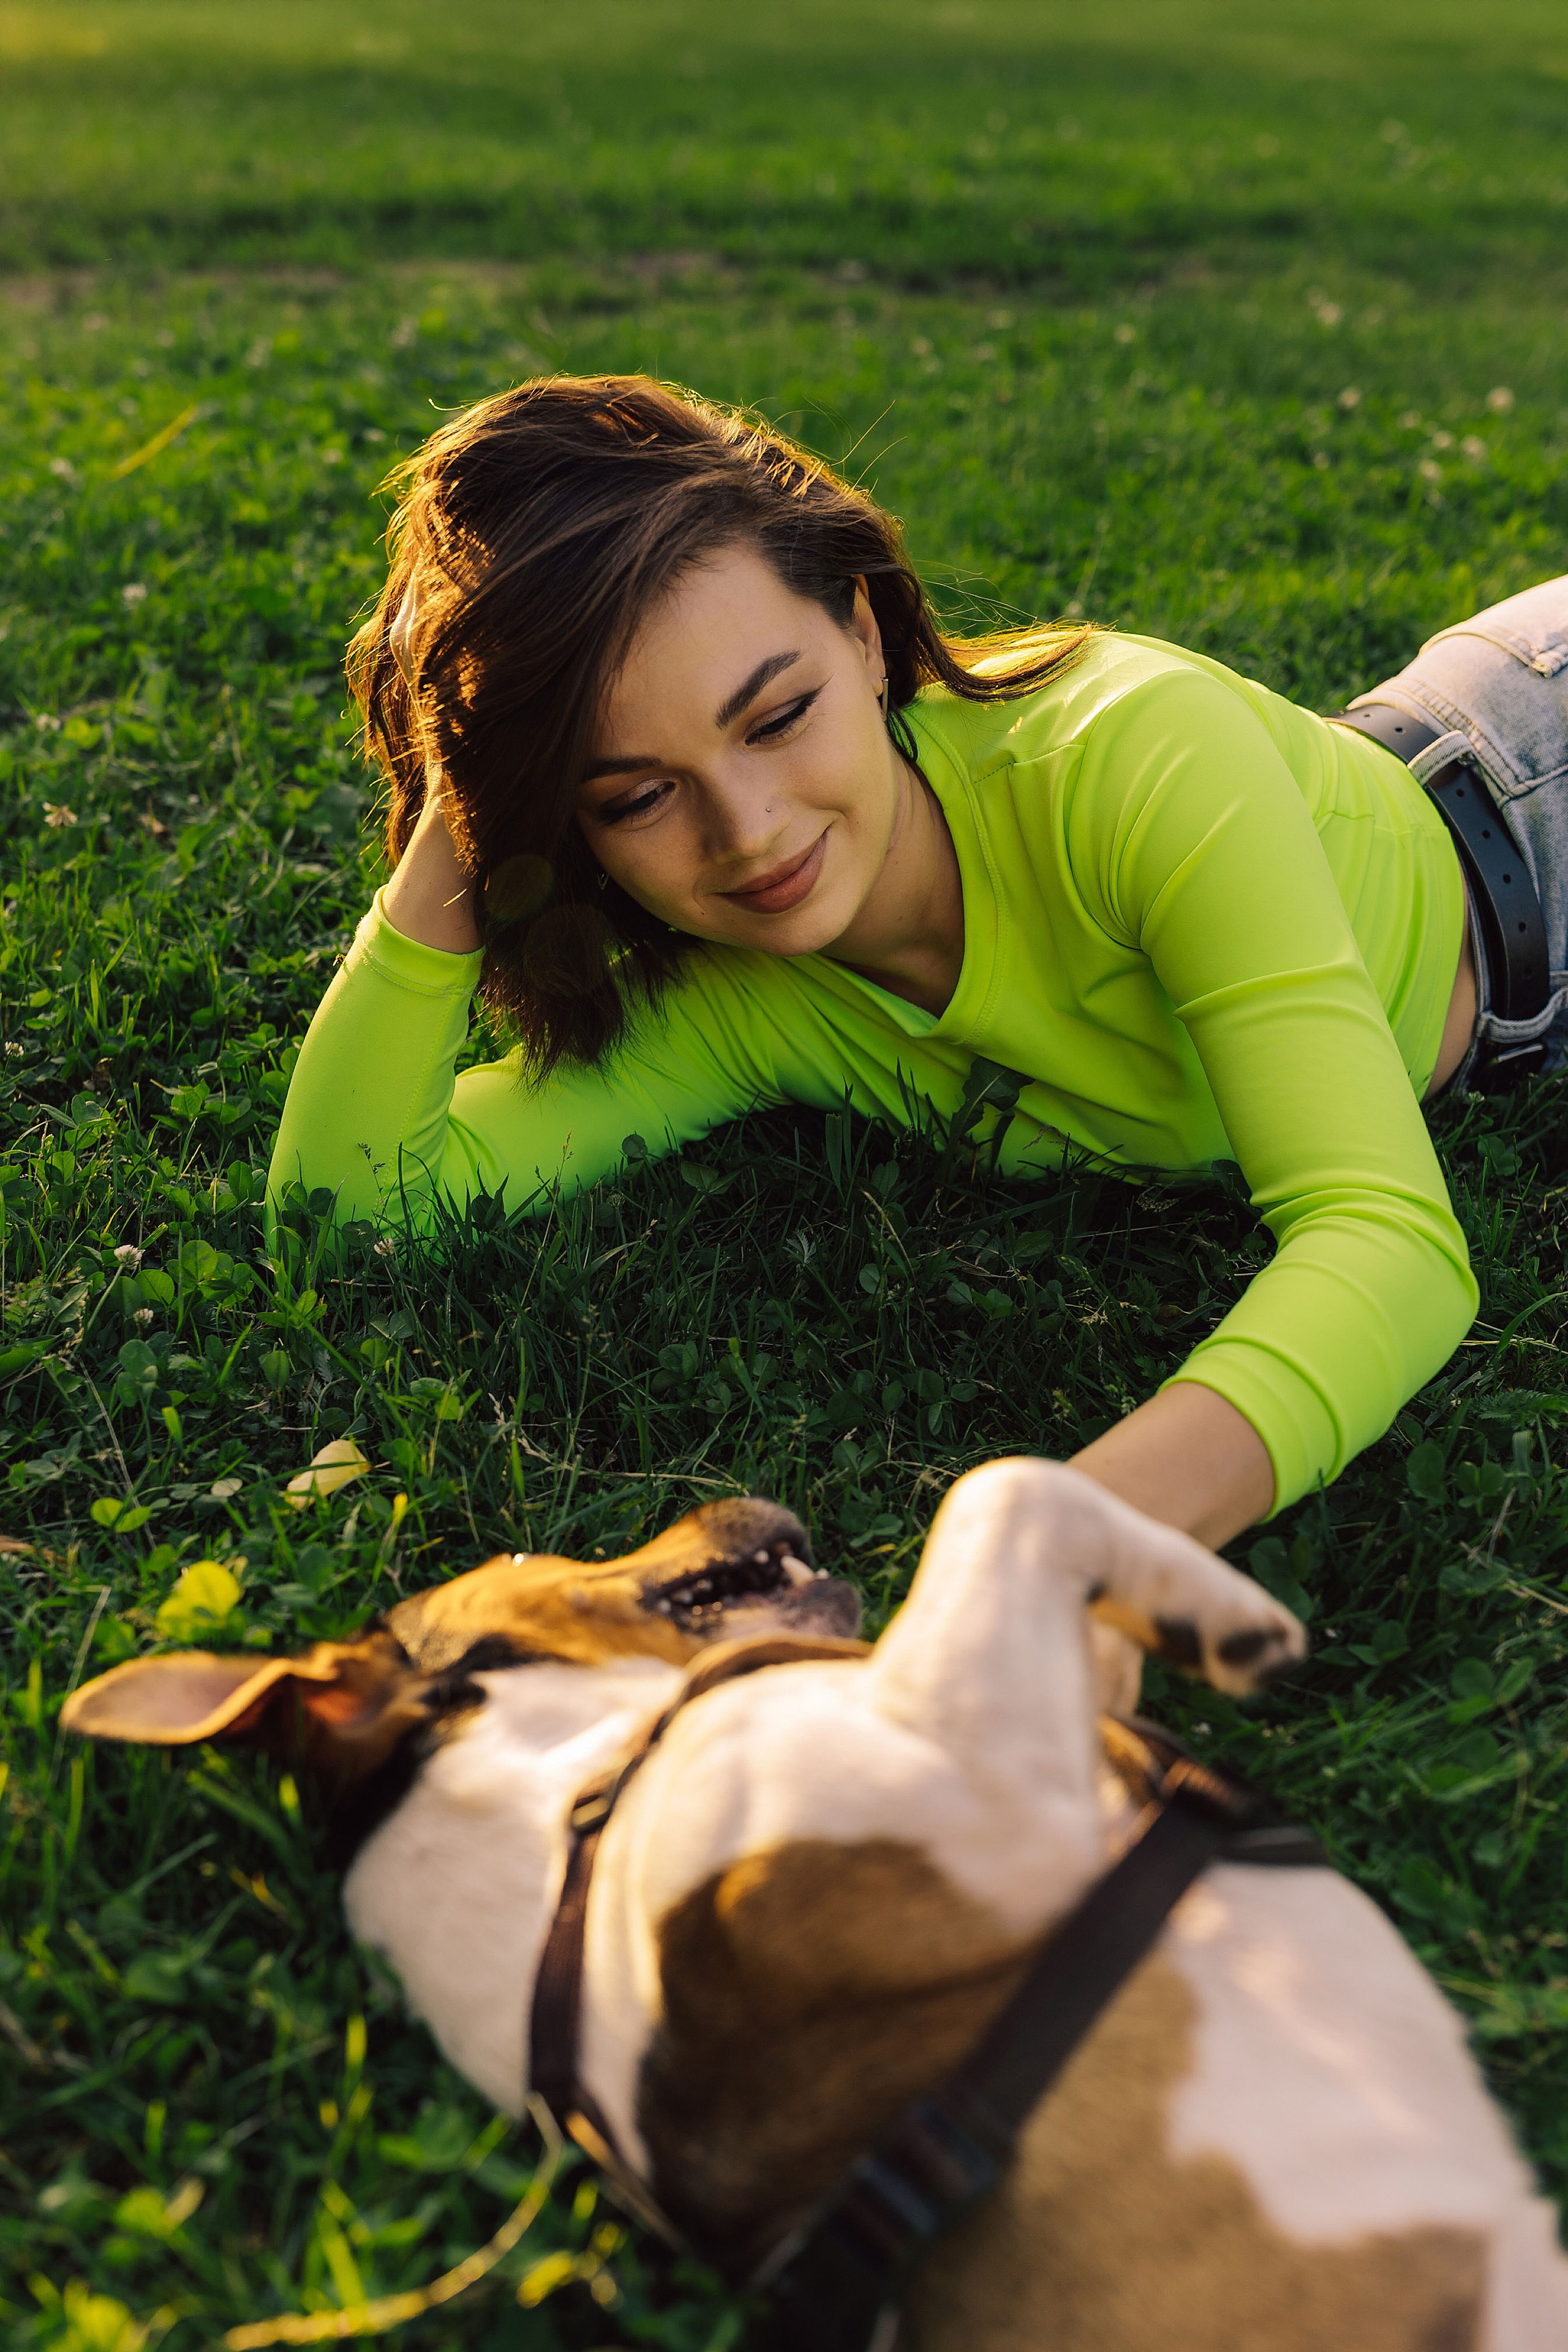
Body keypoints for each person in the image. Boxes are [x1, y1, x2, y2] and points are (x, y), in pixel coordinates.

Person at [268, 374, 1568, 1551]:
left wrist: (1048, 1554)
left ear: (866, 631)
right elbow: (356, 1214)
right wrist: (470, 806)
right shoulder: (742, 1002)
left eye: (778, 717)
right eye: (635, 796)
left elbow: (1386, 1243)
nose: (748, 831)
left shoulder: (1127, 757)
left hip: (1531, 790)